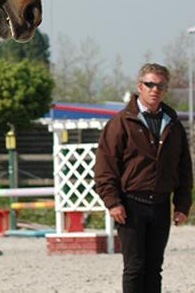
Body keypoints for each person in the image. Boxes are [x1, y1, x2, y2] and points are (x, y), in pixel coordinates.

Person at [94, 62, 192, 293]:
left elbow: (183, 167)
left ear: (166, 89)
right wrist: (113, 202)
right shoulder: (120, 123)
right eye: (149, 84)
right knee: (134, 267)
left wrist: (183, 204)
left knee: (154, 268)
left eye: (160, 85)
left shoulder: (174, 125)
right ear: (140, 86)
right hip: (130, 205)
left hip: (160, 205)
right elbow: (105, 166)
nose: (155, 89)